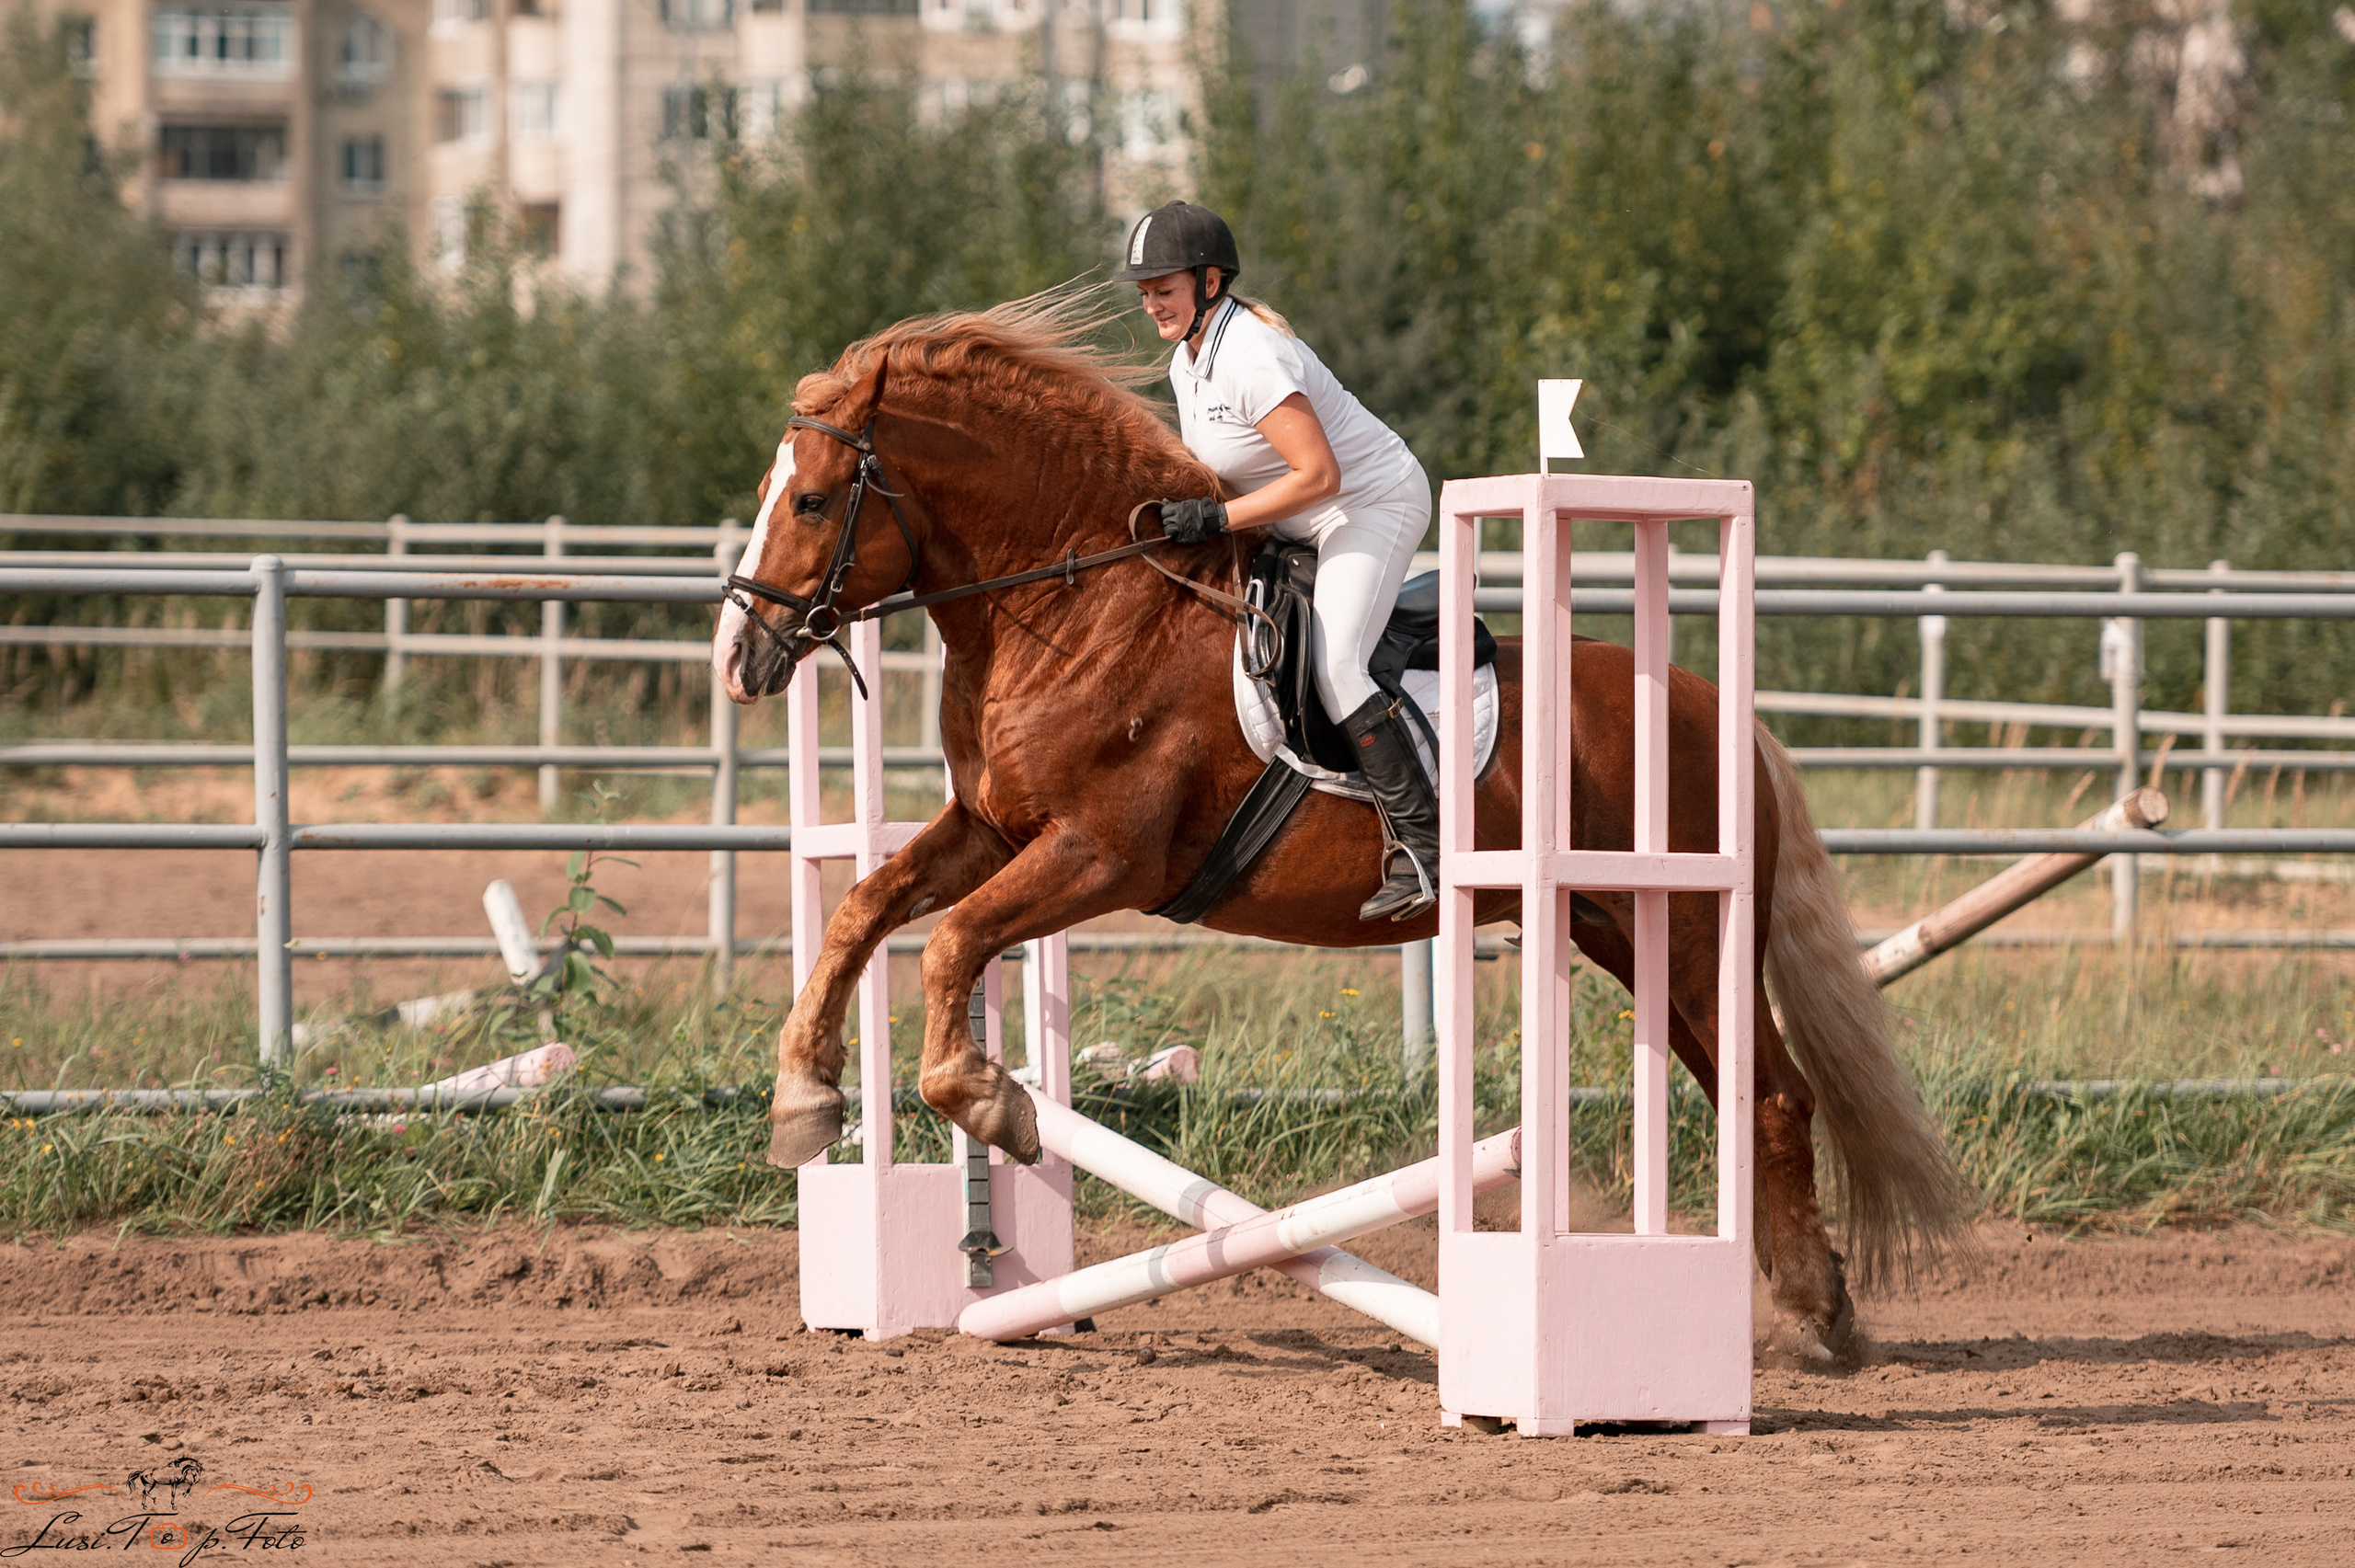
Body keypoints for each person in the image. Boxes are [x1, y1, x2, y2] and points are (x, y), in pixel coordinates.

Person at [1115, 200, 1437, 923]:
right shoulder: (1186, 361)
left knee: (1337, 663)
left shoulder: (1251, 353)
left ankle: (1425, 846)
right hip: (1293, 520)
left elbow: (1319, 475)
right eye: (1144, 294)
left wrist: (1217, 518)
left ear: (1207, 282)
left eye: (1162, 290)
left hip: (1366, 505)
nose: (1151, 306)